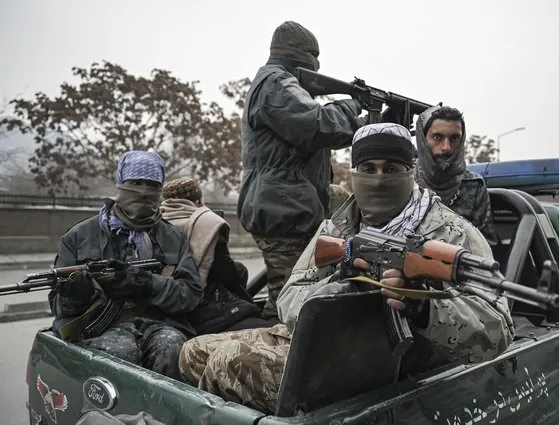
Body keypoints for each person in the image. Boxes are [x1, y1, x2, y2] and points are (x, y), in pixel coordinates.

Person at [179, 123, 513, 412]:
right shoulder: (337, 228)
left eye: (392, 168)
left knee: (228, 363)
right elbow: (289, 297)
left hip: (396, 363)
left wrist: (425, 308)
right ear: (353, 173)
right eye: (368, 168)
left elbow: (498, 330)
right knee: (192, 351)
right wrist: (339, 280)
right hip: (327, 342)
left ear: (411, 171)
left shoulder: (452, 233)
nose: (379, 178)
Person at [236, 21, 364, 321]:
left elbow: (319, 132)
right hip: (283, 211)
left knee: (288, 295)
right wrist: (354, 107)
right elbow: (315, 125)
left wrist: (366, 125)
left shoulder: (277, 82)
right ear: (305, 58)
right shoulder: (275, 83)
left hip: (286, 207)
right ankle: (259, 360)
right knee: (288, 305)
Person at [48, 151, 202, 381]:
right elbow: (58, 306)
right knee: (118, 352)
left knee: (172, 347)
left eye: (151, 185)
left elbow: (189, 295)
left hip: (158, 323)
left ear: (160, 189)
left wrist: (146, 284)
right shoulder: (80, 236)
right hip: (99, 326)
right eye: (135, 183)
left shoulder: (172, 238)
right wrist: (75, 296)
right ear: (120, 184)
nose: (143, 191)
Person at [160, 177, 268, 333]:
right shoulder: (207, 223)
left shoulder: (156, 222)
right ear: (198, 200)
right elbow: (227, 273)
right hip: (205, 309)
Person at [414, 104, 497, 243]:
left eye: (454, 139)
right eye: (437, 138)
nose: (446, 147)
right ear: (423, 139)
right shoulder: (404, 180)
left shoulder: (473, 185)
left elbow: (486, 246)